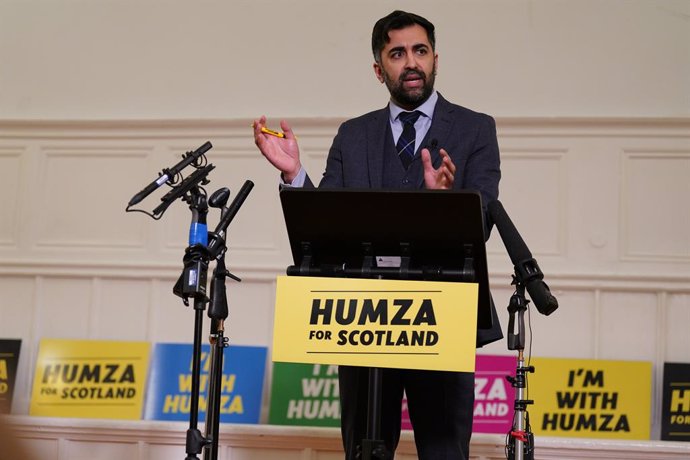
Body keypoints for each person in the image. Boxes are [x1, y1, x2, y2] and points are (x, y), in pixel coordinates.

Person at [254, 10, 503, 460]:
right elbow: (325, 230)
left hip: (441, 318)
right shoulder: (353, 135)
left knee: (446, 452)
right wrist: (295, 173)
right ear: (379, 69)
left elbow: (483, 222)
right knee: (364, 452)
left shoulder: (474, 128)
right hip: (362, 321)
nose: (411, 62)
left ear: (435, 59)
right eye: (397, 53)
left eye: (420, 51)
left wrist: (445, 202)